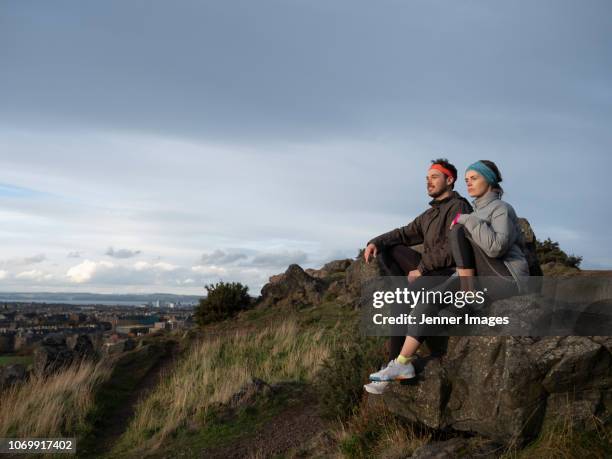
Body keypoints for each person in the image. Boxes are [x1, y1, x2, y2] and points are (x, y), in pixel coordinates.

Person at [367, 160, 529, 393]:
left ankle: (461, 295)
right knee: (425, 301)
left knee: (456, 232)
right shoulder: (440, 213)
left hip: (502, 276)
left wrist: (465, 222)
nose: (469, 183)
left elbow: (495, 248)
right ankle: (401, 365)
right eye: (467, 180)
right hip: (471, 275)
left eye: (474, 178)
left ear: (489, 180)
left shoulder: (490, 209)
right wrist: (375, 242)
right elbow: (404, 233)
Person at [363, 158, 472, 394]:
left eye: (434, 177)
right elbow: (404, 233)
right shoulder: (429, 214)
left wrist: (422, 269)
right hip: (430, 270)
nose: (428, 182)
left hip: (448, 271)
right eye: (427, 178)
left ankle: (394, 365)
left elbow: (453, 249)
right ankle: (405, 293)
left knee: (402, 299)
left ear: (449, 180)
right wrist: (375, 241)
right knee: (389, 248)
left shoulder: (459, 207)